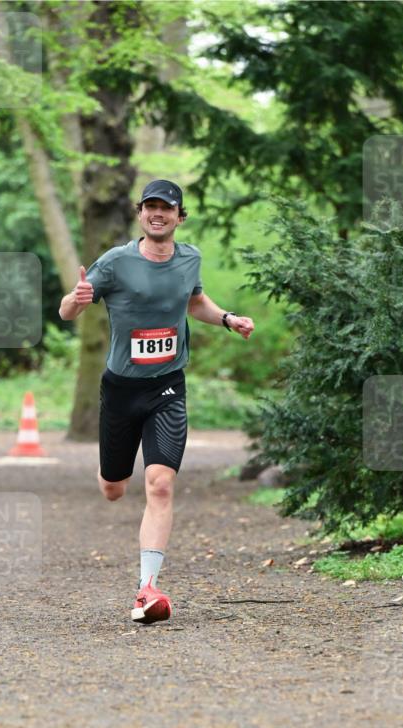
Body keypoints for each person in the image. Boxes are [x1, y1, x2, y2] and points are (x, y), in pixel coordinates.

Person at [58, 178, 255, 623]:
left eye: (166, 207)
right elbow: (67, 310)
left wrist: (226, 319)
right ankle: (111, 469)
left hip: (167, 387)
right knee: (114, 488)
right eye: (150, 207)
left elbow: (195, 302)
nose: (157, 213)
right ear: (140, 213)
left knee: (160, 484)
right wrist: (77, 299)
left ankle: (147, 587)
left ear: (179, 216)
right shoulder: (115, 262)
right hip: (121, 390)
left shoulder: (190, 259)